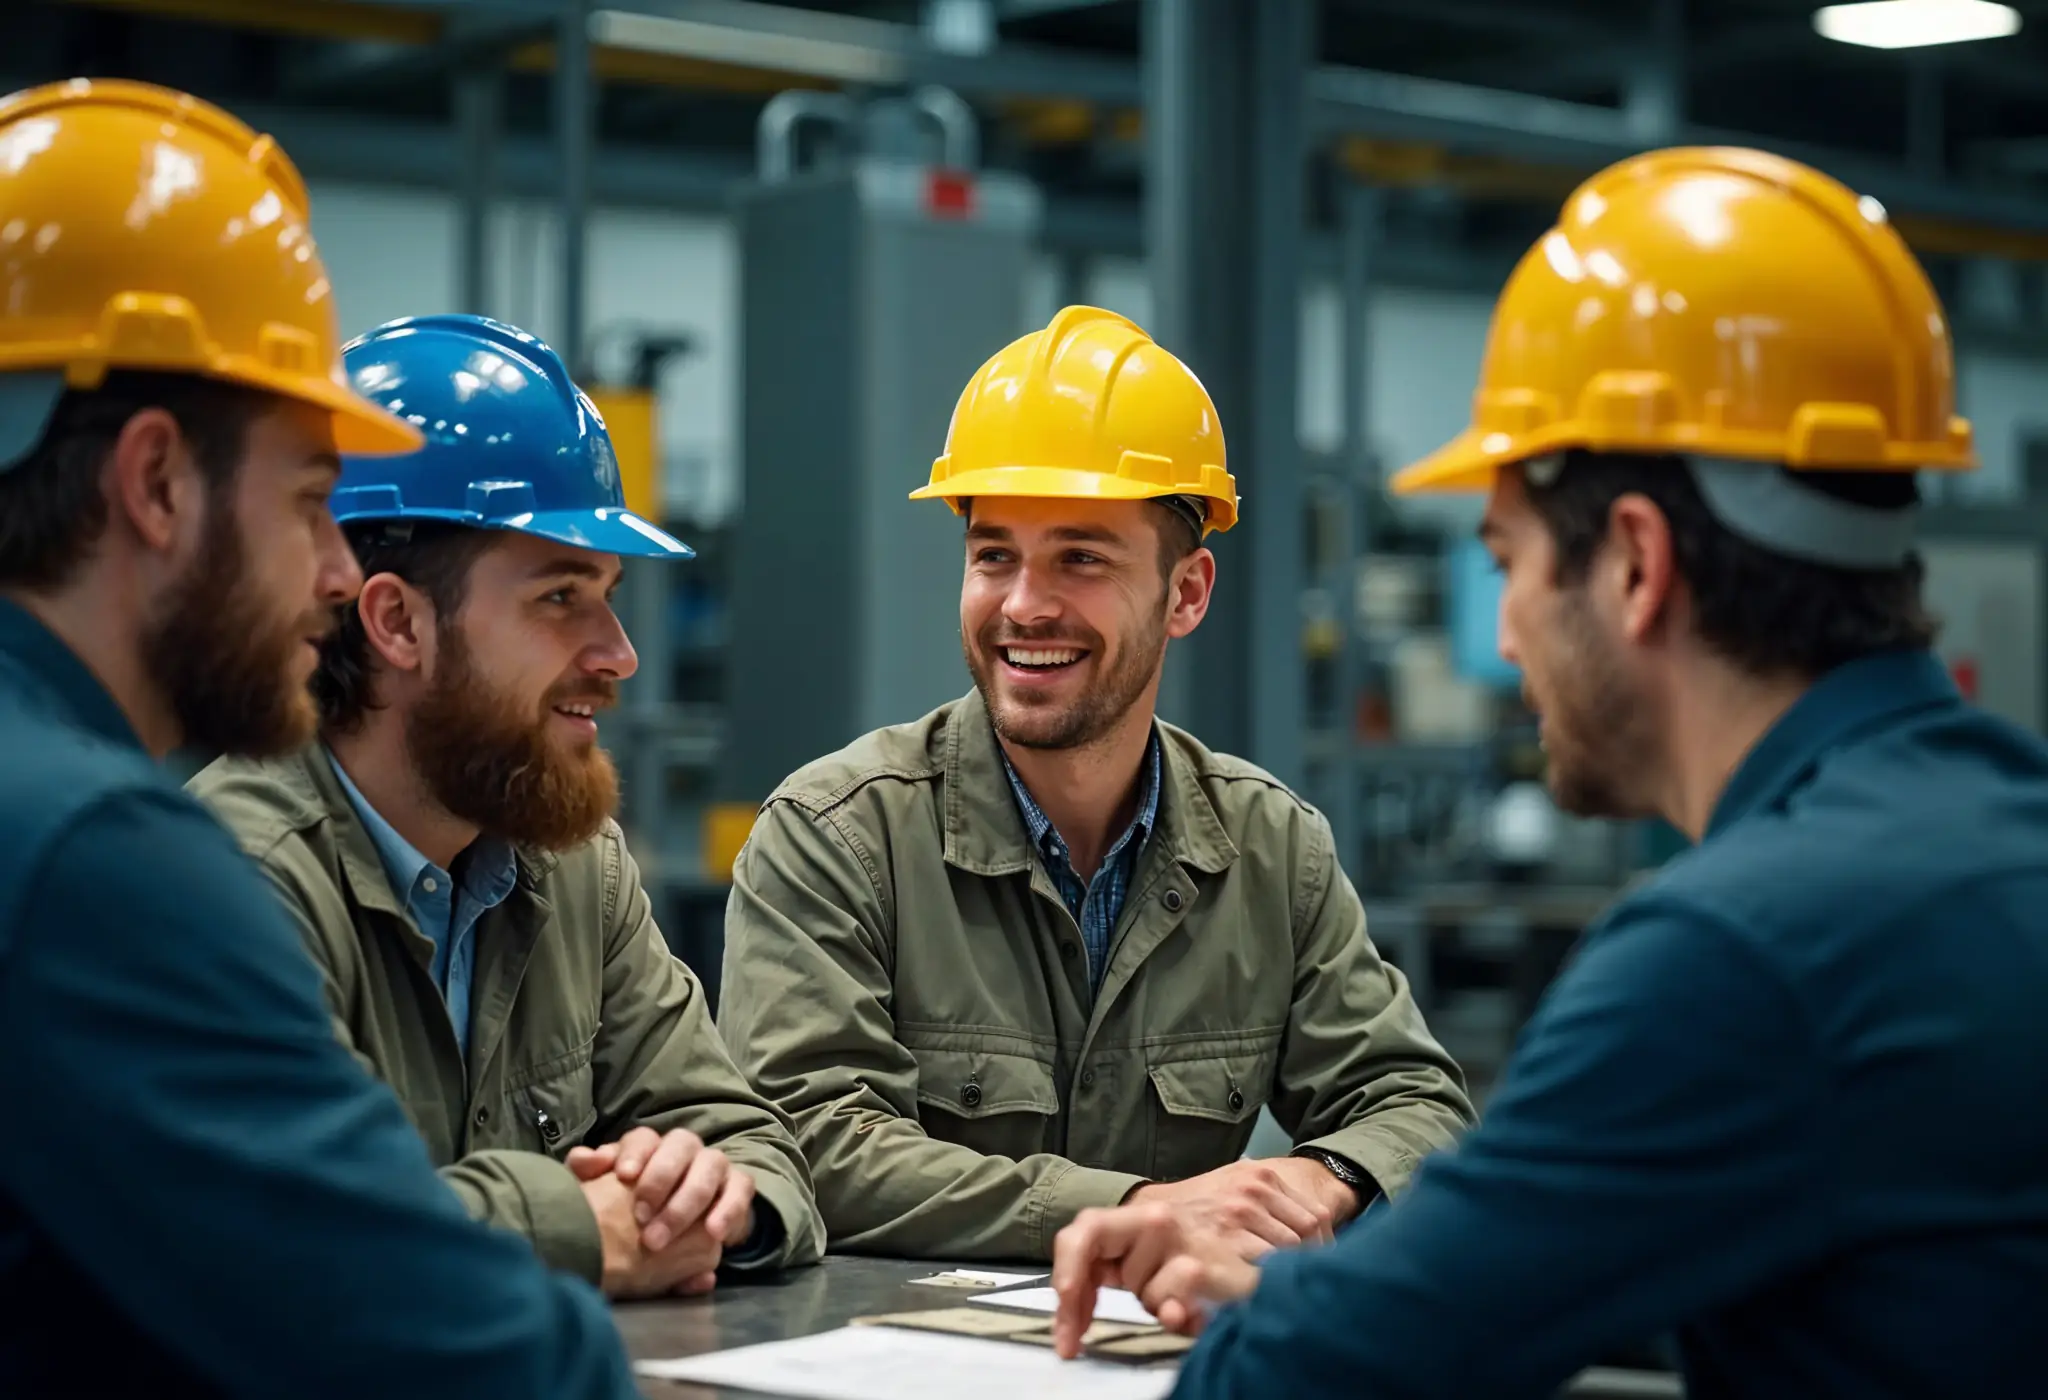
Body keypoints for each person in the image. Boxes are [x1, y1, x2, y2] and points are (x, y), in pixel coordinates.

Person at [1049, 146, 2048, 1397]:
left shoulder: (1737, 956)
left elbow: (1314, 1381)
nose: (1506, 629)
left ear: (1633, 564)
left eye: (1507, 555)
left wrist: (1288, 1321)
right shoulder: (2004, 831)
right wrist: (1320, 1283)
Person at [0, 80, 635, 1397]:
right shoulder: (94, 854)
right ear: (159, 481)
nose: (340, 571)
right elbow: (461, 1357)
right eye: (305, 496)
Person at [717, 304, 1473, 1262]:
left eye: (1080, 557)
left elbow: (1413, 1101)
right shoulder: (836, 837)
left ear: (1187, 593)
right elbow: (808, 1141)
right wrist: (1142, 1211)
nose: (1026, 605)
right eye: (995, 554)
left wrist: (1320, 1182)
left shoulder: (1272, 850)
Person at [189, 312, 825, 1299]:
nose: (619, 653)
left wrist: (711, 1192)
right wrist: (579, 1221)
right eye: (560, 597)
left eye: (608, 593)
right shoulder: (235, 879)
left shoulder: (572, 862)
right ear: (395, 619)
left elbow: (750, 1142)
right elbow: (288, 1228)